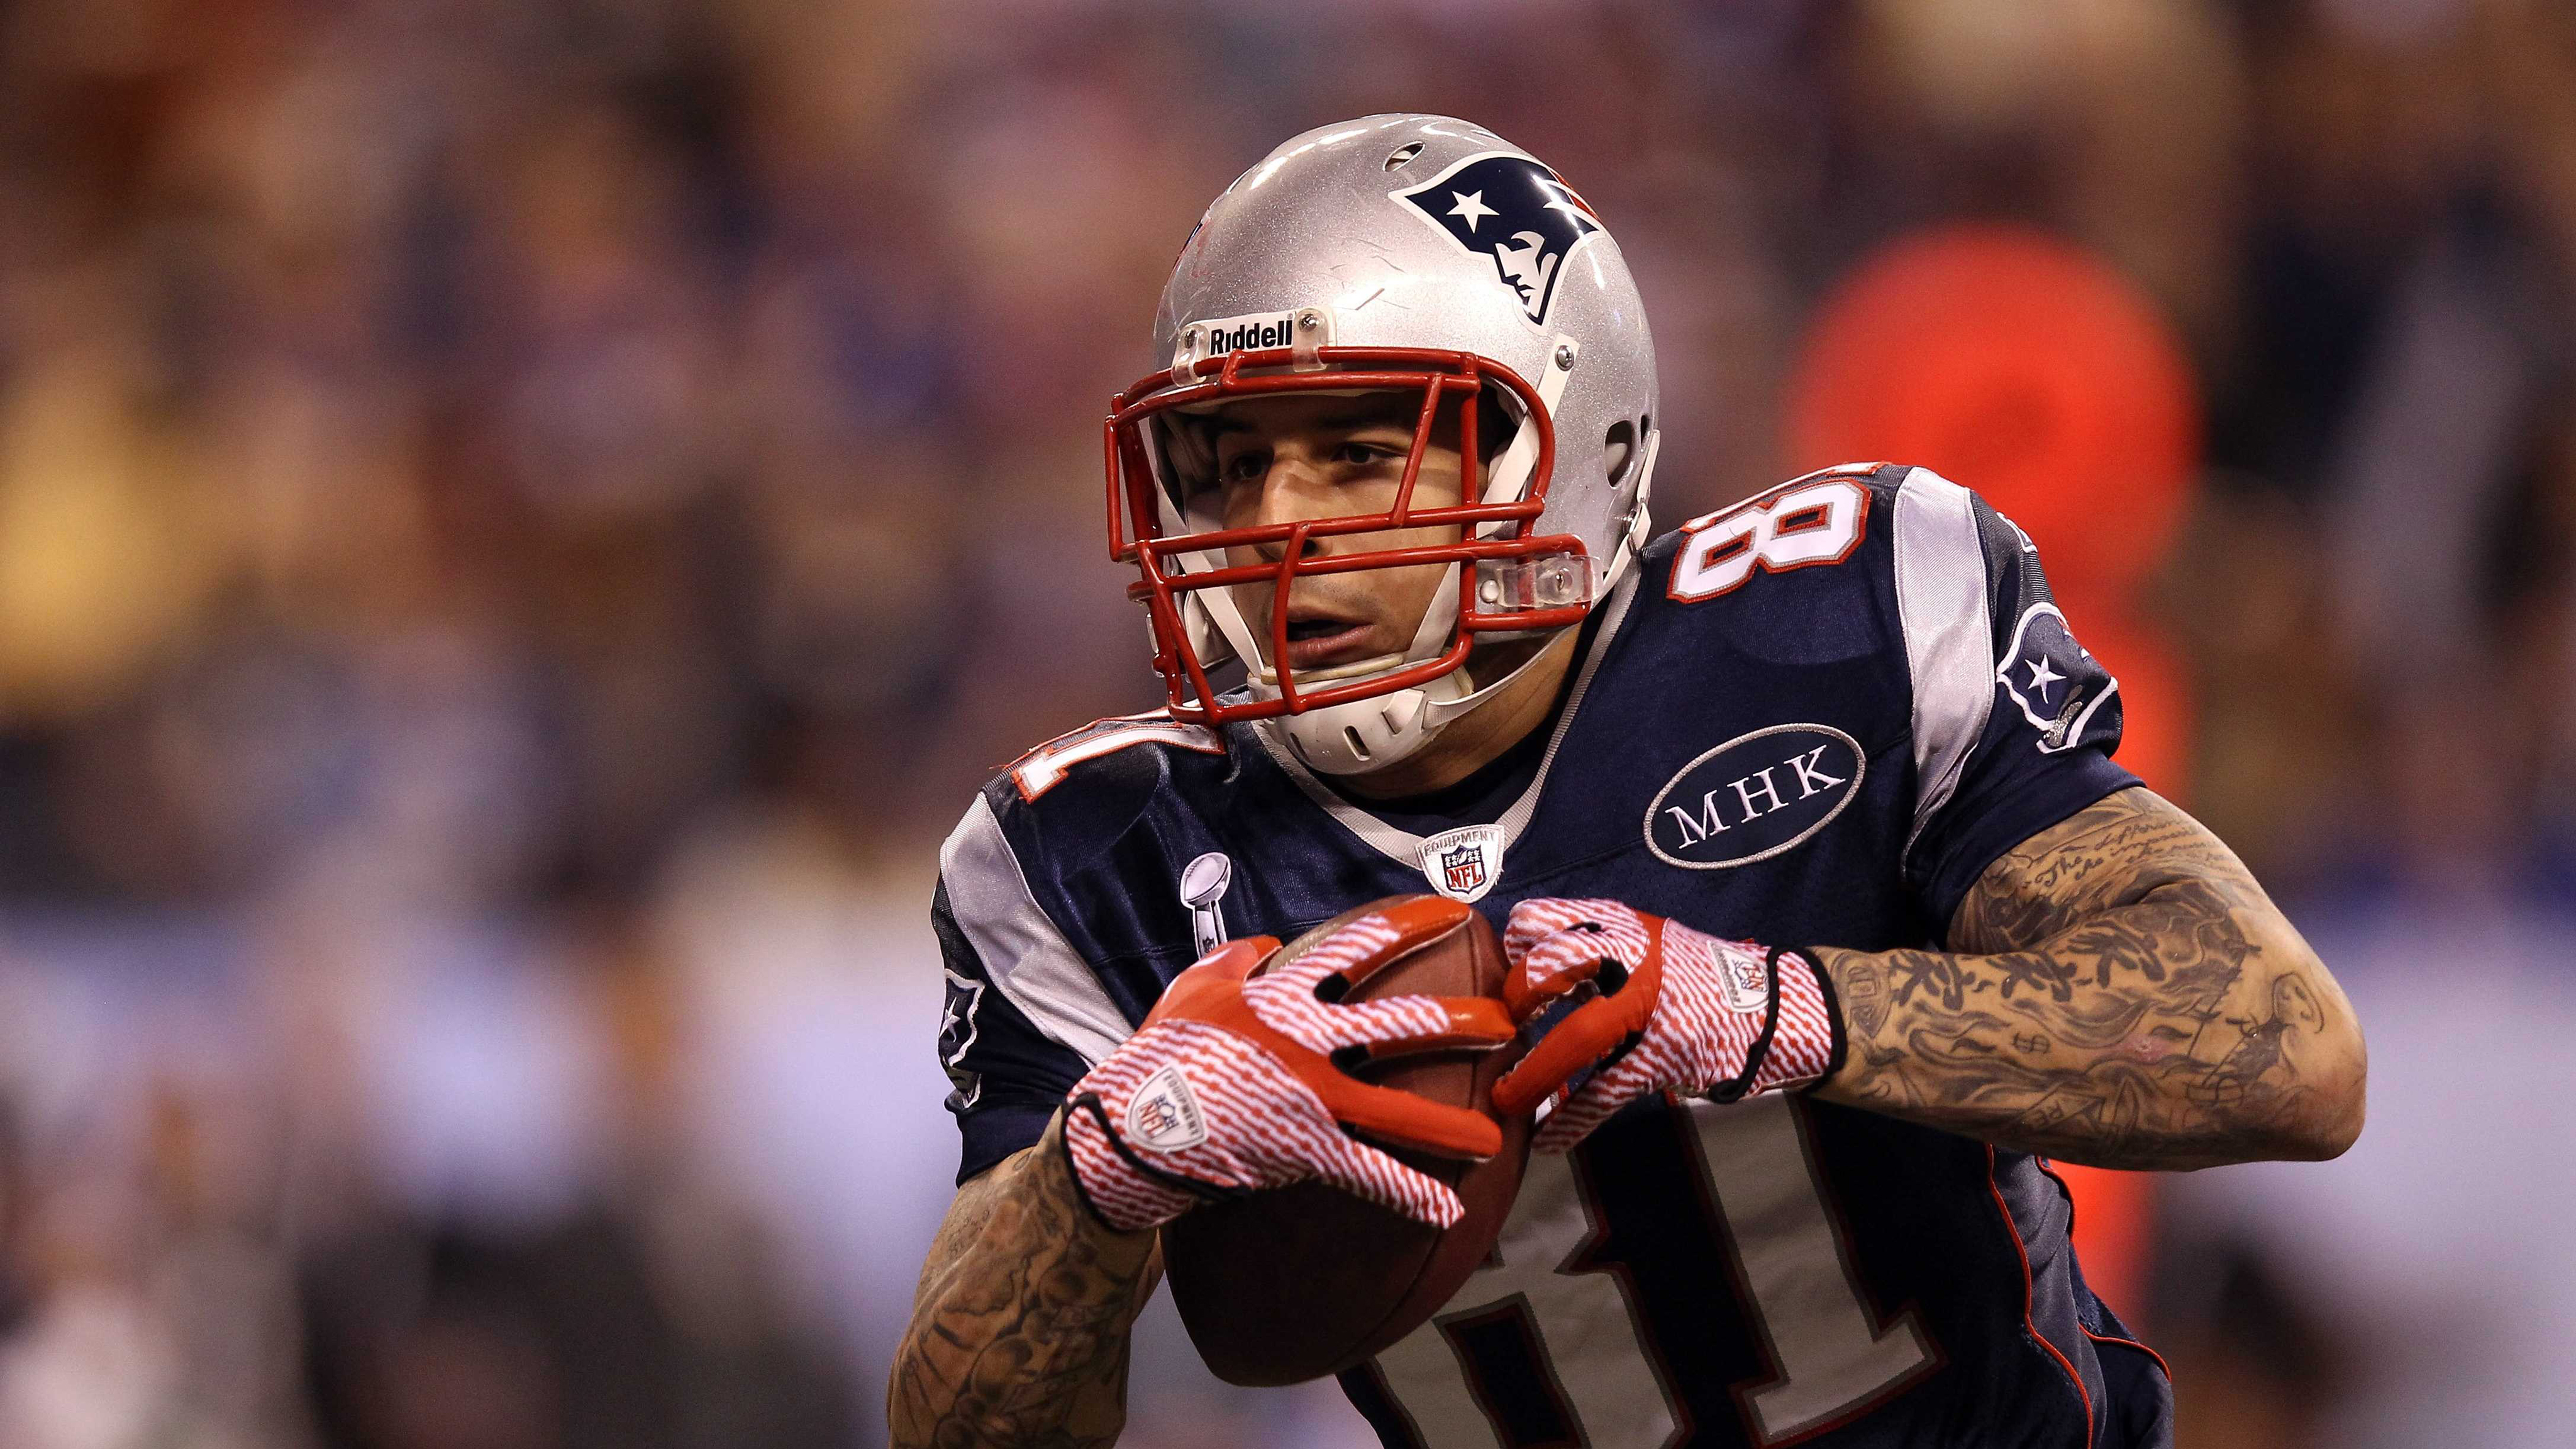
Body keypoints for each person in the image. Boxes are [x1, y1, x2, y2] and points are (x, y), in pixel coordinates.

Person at [887, 114, 2365, 1449]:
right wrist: (1106, 1163)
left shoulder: (1828, 622)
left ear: (1563, 449)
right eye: (1227, 465)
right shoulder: (1095, 851)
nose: (1274, 526)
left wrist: (1780, 1011)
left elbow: (2288, 1053)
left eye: (1355, 454)